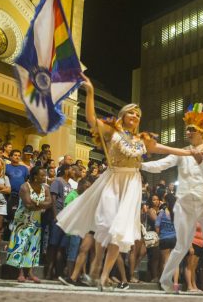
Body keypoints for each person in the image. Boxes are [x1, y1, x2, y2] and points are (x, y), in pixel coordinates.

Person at [57, 74, 194, 290]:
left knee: (120, 230)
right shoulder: (113, 131)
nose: (135, 116)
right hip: (112, 180)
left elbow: (165, 149)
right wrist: (90, 91)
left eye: (138, 114)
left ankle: (102, 276)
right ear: (122, 115)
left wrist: (191, 152)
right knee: (107, 223)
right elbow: (92, 120)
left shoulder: (143, 139)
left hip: (131, 184)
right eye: (131, 112)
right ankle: (94, 270)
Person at [140, 103, 203, 296]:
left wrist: (200, 161)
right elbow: (160, 164)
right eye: (188, 129)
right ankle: (165, 280)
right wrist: (139, 164)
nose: (188, 132)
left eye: (192, 129)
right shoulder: (182, 152)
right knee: (182, 245)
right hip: (184, 206)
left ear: (202, 132)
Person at [6, 166, 52, 283]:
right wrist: (42, 204)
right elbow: (28, 205)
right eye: (42, 175)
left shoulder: (45, 188)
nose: (44, 177)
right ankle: (20, 273)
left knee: (33, 248)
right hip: (23, 221)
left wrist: (36, 203)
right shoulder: (25, 187)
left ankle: (30, 273)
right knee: (21, 245)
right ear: (35, 176)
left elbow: (50, 203)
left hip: (36, 222)